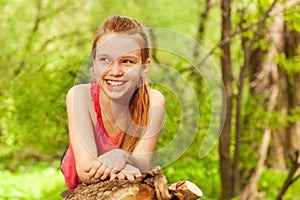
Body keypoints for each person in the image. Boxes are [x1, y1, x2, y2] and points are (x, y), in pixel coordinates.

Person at [60, 15, 165, 192]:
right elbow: (86, 171)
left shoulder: (154, 100)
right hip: (77, 169)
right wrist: (125, 167)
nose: (115, 71)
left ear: (144, 67)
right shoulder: (78, 95)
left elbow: (143, 163)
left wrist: (122, 156)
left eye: (127, 61)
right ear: (94, 62)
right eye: (105, 60)